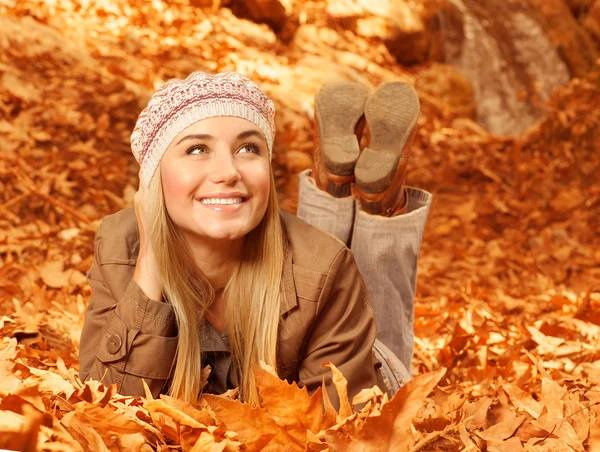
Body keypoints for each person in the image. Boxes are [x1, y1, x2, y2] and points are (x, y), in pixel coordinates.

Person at [78, 71, 431, 410]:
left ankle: (375, 203)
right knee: (315, 265)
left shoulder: (326, 265)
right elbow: (109, 413)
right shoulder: (120, 248)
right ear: (152, 178)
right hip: (316, 288)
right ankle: (350, 190)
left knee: (369, 319)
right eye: (197, 150)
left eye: (248, 148)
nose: (229, 172)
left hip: (366, 375)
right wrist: (151, 267)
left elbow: (334, 432)